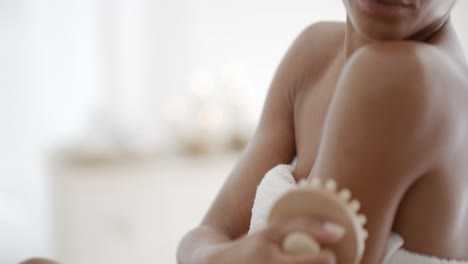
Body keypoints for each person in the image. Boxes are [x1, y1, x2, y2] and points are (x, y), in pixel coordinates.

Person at [177, 0, 468, 263]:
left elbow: (205, 244)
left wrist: (221, 256)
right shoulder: (313, 55)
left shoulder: (400, 77)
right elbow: (206, 234)